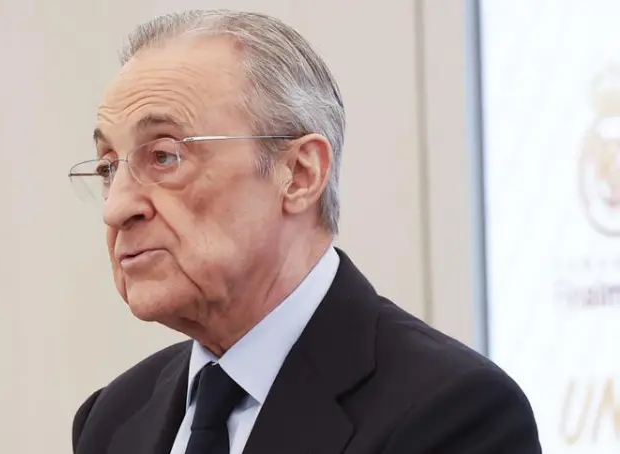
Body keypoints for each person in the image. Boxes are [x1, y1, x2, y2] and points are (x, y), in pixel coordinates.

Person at [67, 9, 541, 454]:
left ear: (299, 174)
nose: (117, 207)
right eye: (109, 168)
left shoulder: (455, 412)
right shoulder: (113, 418)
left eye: (164, 156)